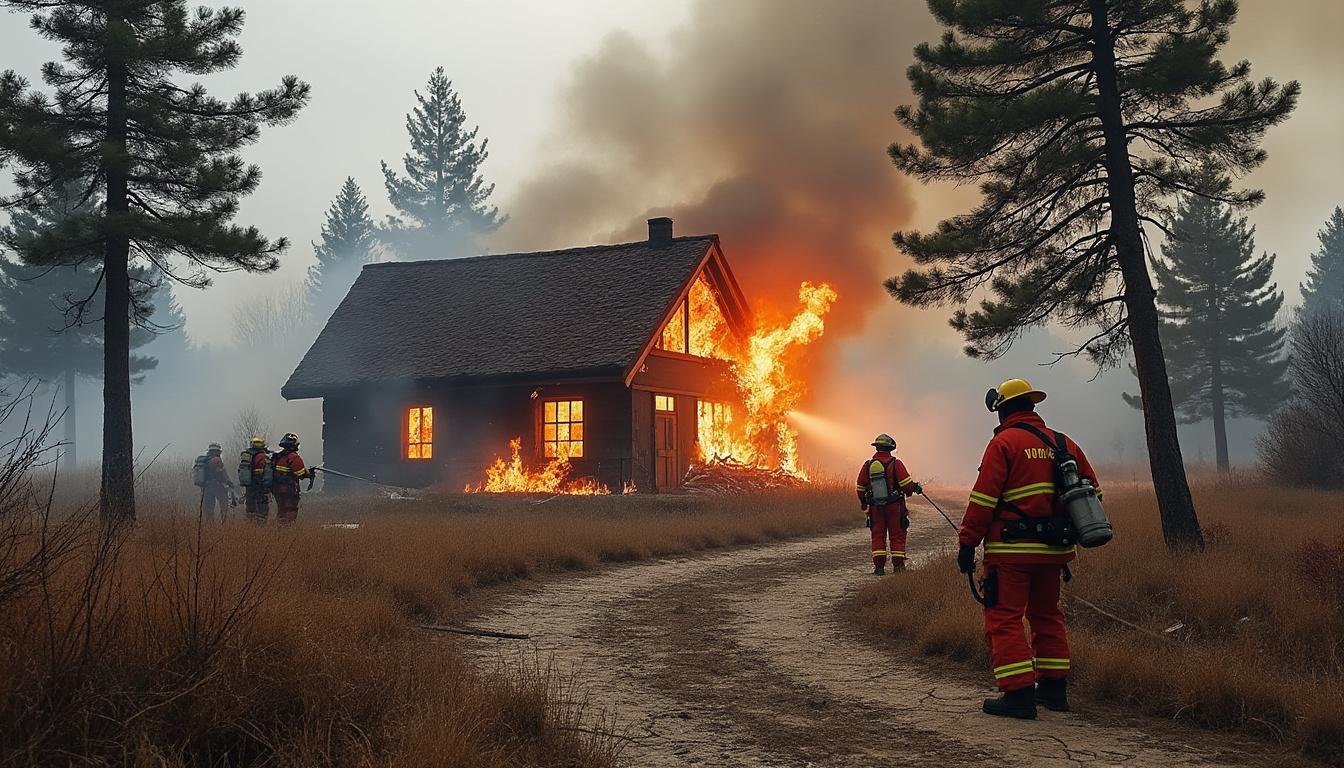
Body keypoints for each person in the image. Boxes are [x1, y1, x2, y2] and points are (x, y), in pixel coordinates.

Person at [957, 378, 1101, 719]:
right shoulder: (1064, 444)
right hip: (1054, 553)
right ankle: (1053, 691)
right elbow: (1094, 495)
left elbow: (982, 501)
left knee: (1004, 618)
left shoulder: (1004, 443)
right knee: (1047, 616)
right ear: (1032, 407)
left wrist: (967, 543)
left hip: (1011, 554)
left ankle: (1018, 693)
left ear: (1003, 410)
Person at [856, 433, 922, 575]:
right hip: (895, 508)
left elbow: (860, 488)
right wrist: (915, 487)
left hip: (876, 508)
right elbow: (906, 486)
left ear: (877, 448)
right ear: (890, 448)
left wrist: (864, 503)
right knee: (897, 535)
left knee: (878, 535)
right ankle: (898, 567)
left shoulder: (868, 465)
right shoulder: (896, 463)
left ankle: (879, 568)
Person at [271, 432, 312, 525]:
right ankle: (287, 530)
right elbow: (300, 474)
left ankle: (277, 531)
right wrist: (308, 473)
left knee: (281, 510)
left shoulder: (278, 456)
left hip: (277, 489)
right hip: (289, 490)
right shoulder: (294, 457)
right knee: (290, 510)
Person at [199, 443, 234, 521]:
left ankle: (210, 526)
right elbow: (222, 473)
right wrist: (229, 482)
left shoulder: (205, 461)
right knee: (224, 504)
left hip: (206, 488)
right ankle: (223, 523)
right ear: (218, 451)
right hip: (217, 486)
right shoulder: (217, 460)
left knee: (208, 508)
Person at [241, 436, 271, 523]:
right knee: (262, 507)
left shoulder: (248, 455)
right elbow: (263, 471)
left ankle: (250, 526)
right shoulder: (261, 456)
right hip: (259, 486)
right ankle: (260, 528)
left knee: (250, 506)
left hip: (249, 486)